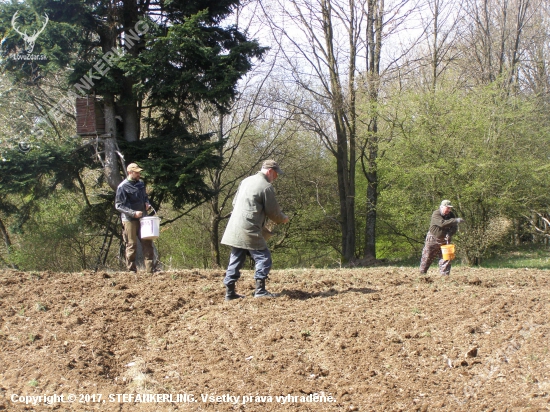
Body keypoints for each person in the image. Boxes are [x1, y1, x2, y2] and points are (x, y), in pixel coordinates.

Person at [221, 160, 290, 300]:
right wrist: (282, 218)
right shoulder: (266, 187)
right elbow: (273, 212)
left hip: (234, 227)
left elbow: (234, 202)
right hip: (249, 229)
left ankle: (229, 293)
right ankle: (260, 291)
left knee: (236, 258)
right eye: (276, 174)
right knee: (264, 258)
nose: (276, 177)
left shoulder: (246, 181)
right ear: (270, 171)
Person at [115, 163, 155, 273]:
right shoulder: (122, 187)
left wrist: (147, 204)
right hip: (129, 220)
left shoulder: (141, 184)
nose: (139, 174)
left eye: (139, 172)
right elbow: (118, 205)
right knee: (131, 244)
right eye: (136, 172)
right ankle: (131, 270)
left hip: (143, 218)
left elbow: (145, 197)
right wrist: (133, 213)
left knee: (147, 242)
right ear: (130, 173)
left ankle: (150, 269)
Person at [419, 199, 464, 276]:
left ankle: (444, 277)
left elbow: (454, 227)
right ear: (442, 207)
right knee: (427, 257)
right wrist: (456, 220)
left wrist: (450, 234)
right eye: (447, 208)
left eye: (450, 208)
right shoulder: (436, 214)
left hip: (445, 240)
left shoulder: (451, 215)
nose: (449, 210)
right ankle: (422, 274)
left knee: (446, 258)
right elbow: (442, 223)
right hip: (433, 238)